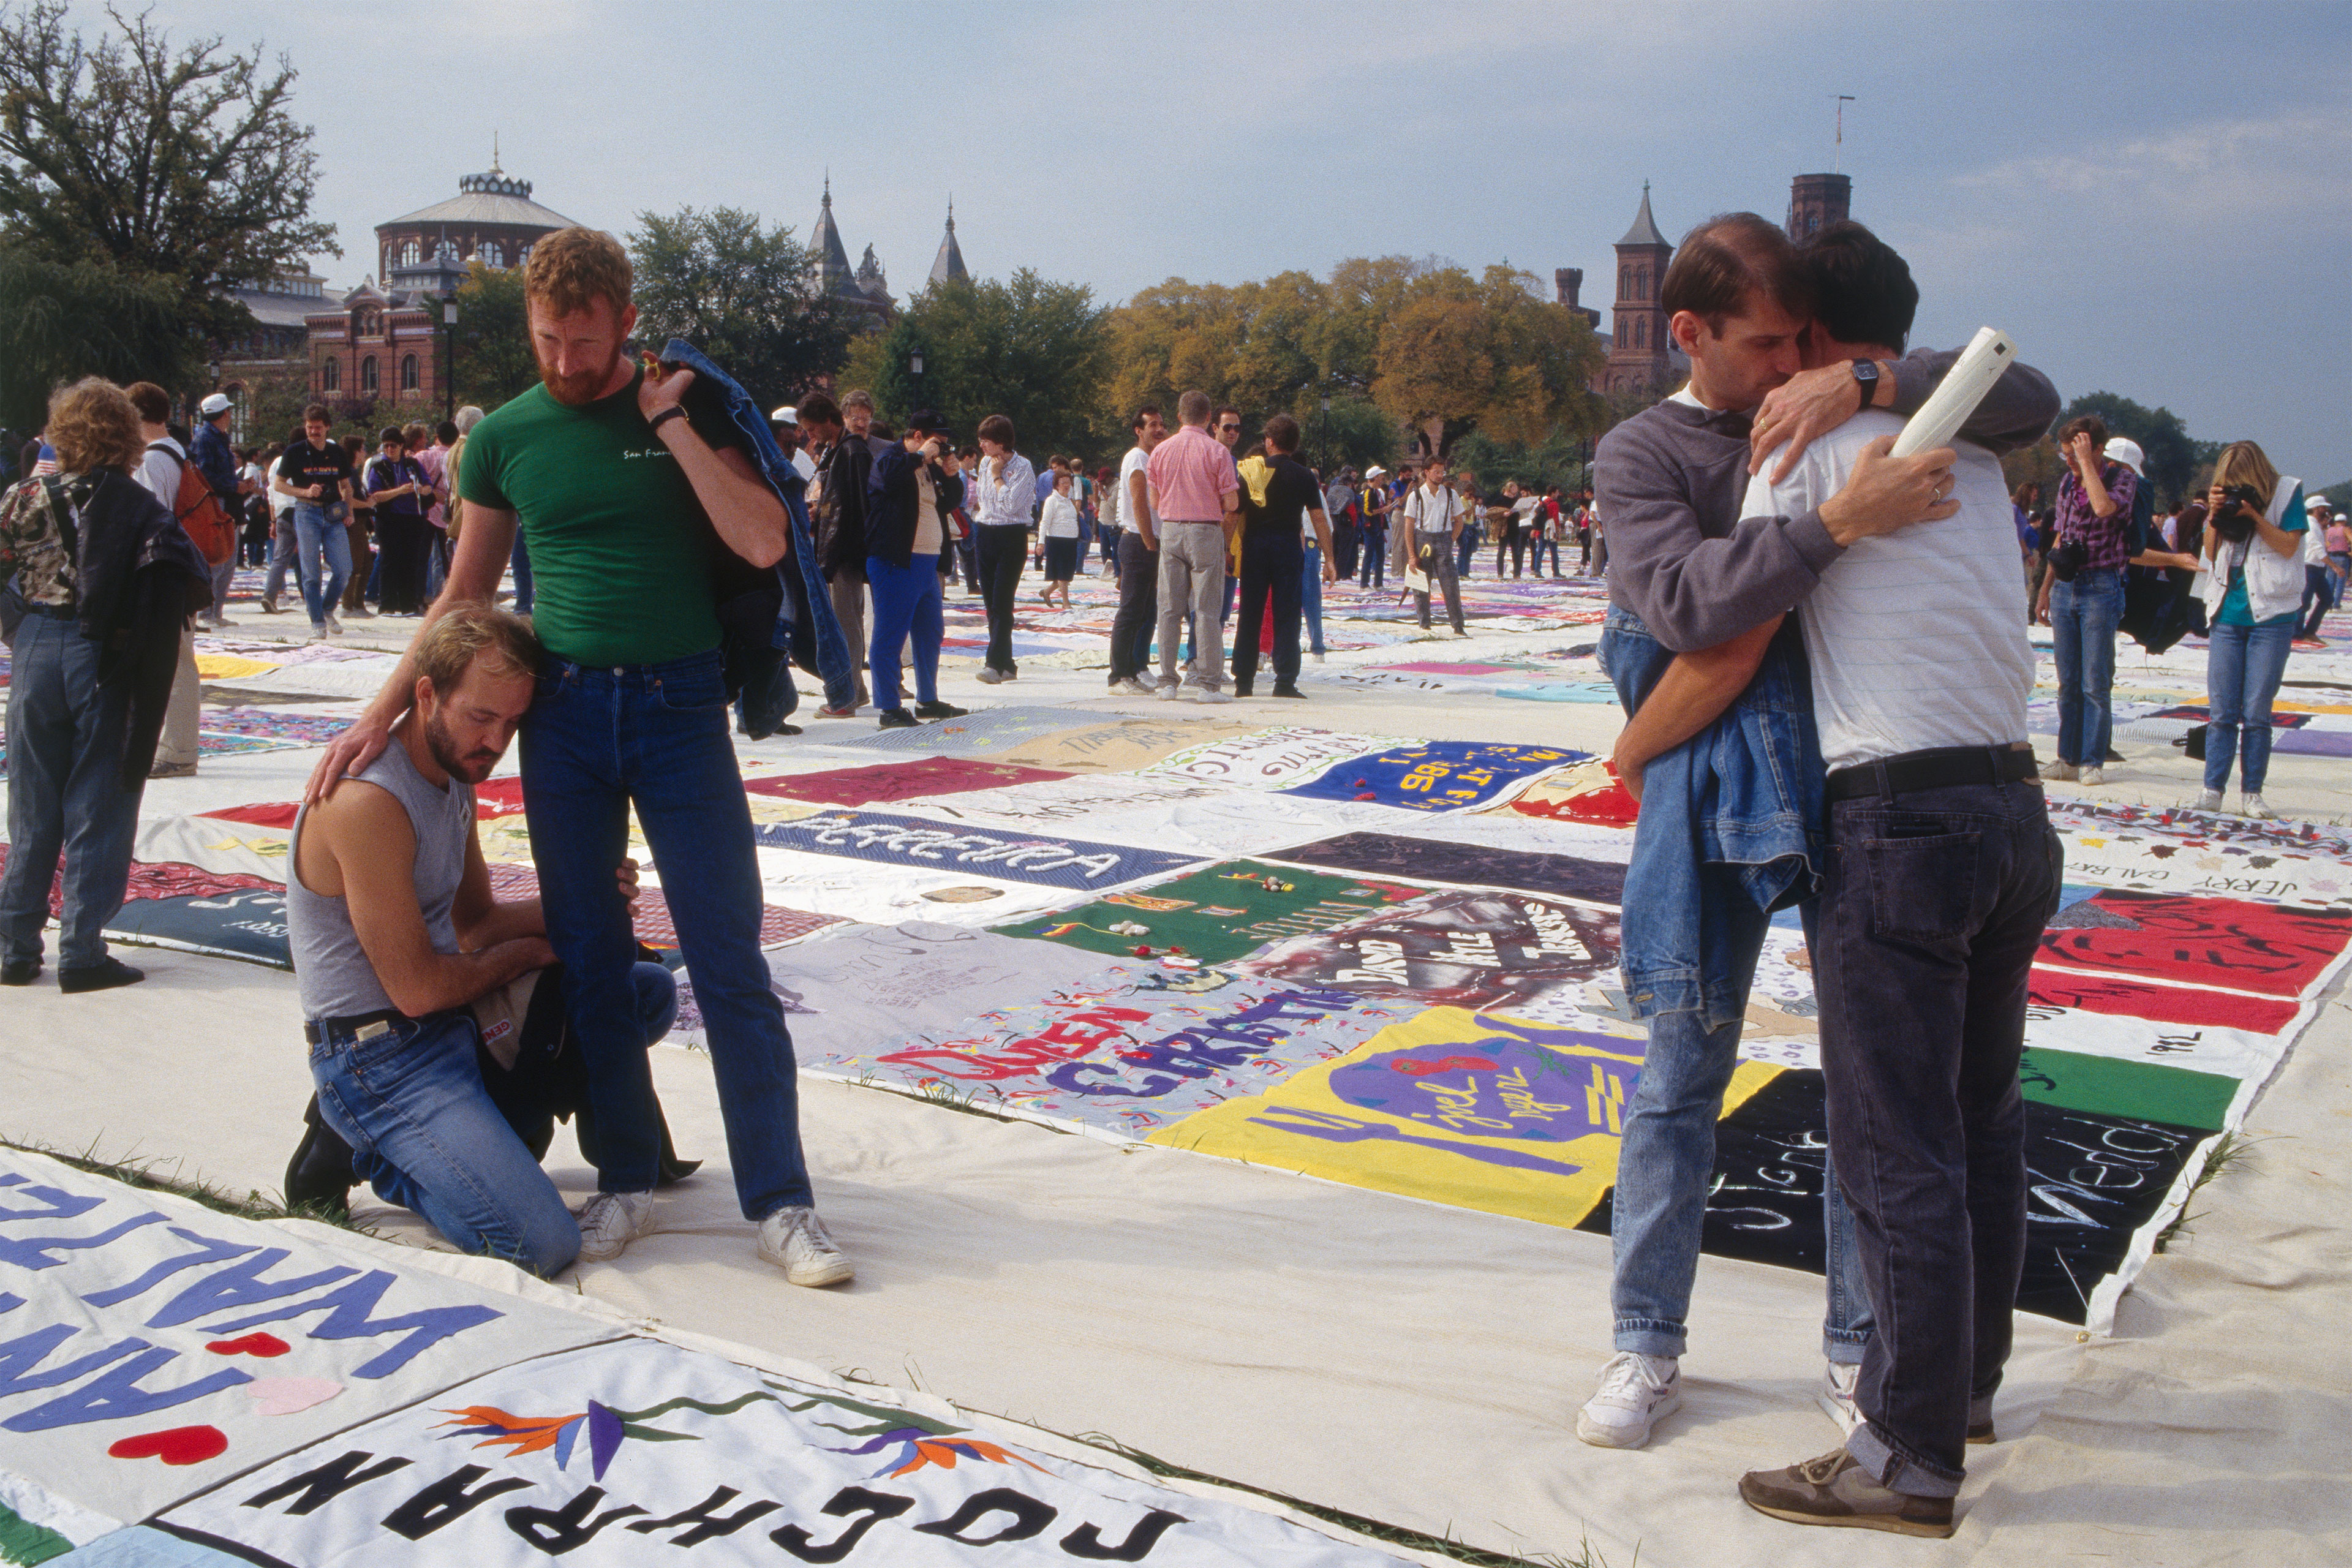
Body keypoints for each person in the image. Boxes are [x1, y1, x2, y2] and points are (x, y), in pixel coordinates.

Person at [1580, 210, 2057, 1467]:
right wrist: (1845, 515)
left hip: (1852, 784)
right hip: (1713, 784)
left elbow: (2029, 390)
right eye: (1772, 343)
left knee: (1876, 1100)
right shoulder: (1645, 448)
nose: (1794, 362)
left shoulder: (1834, 414)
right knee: (1685, 1070)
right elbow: (1692, 614)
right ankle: (1649, 1336)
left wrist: (1863, 380)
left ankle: (1866, 1352)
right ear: (1688, 334)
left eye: (1812, 342)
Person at [305, 227, 853, 1284]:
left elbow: (763, 540)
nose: (564, 361)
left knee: (728, 956)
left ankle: (782, 1201)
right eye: (548, 339)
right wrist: (380, 711)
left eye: (586, 341)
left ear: (627, 325)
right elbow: (464, 591)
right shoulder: (504, 437)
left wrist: (669, 427)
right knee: (592, 952)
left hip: (679, 706)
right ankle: (628, 1181)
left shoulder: (685, 405)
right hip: (563, 716)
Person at [283, 608, 683, 1276]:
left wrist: (580, 898)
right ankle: (364, 1145)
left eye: (510, 724)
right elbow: (418, 991)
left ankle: (476, 1132)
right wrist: (541, 950)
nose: (494, 741)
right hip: (381, 1053)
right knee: (541, 1242)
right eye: (480, 718)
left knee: (643, 992)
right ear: (425, 695)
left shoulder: (448, 771)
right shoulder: (369, 802)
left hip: (452, 1022)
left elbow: (476, 924)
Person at [1, 378, 209, 991]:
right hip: (107, 656)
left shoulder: (22, 496)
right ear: (126, 437)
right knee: (102, 799)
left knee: (33, 804)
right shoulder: (136, 502)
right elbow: (173, 580)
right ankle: (83, 949)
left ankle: (14, 945)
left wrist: (20, 626)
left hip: (37, 646)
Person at [2194, 442, 2309, 818]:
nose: (2233, 491)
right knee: (2222, 711)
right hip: (2227, 614)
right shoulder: (2222, 504)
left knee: (2257, 711)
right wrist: (2214, 514)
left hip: (2271, 617)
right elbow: (2210, 554)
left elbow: (2289, 547)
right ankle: (2212, 789)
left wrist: (2254, 516)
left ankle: (2252, 793)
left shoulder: (2287, 491)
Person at [2035, 417, 2135, 783]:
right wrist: (2045, 589)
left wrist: (2088, 467)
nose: (2071, 463)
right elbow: (2061, 538)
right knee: (2068, 680)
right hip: (2066, 586)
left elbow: (2104, 509)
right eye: (2066, 456)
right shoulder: (2066, 482)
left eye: (2076, 454)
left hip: (2100, 586)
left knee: (2095, 681)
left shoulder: (2121, 479)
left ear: (2097, 450)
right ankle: (2068, 757)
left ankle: (2092, 759)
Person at [865, 409, 971, 730]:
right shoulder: (891, 457)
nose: (942, 449)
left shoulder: (929, 466)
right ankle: (888, 706)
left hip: (927, 562)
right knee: (891, 632)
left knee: (930, 631)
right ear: (917, 437)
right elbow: (889, 480)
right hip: (897, 560)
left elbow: (950, 502)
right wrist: (920, 457)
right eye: (937, 442)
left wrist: (951, 475)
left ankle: (927, 699)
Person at [126, 383, 203, 782]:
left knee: (172, 660)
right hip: (180, 566)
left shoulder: (152, 459)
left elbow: (150, 518)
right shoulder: (175, 450)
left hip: (163, 569)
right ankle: (179, 747)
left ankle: (178, 749)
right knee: (178, 657)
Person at [1231, 414, 1336, 699]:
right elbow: (1318, 519)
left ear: (1269, 441)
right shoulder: (1304, 475)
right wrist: (1330, 559)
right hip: (1288, 546)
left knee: (1250, 613)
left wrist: (1227, 550)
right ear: (1294, 444)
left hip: (1255, 546)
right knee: (1287, 614)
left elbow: (1233, 515)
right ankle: (1286, 681)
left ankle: (1244, 681)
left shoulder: (1252, 471)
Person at [1147, 392, 1240, 703]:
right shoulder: (1217, 452)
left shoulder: (1160, 451)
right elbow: (1232, 502)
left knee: (1169, 608)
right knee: (1207, 610)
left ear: (1179, 415)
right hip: (1205, 530)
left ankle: (1167, 681)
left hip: (1172, 529)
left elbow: (1155, 501)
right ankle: (1208, 683)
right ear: (1208, 417)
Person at [798, 391, 867, 714]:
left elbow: (853, 510)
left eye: (812, 429)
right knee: (847, 620)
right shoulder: (841, 450)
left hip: (844, 551)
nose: (810, 436)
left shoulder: (851, 451)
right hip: (840, 548)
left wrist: (834, 554)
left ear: (829, 421)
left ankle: (847, 696)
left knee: (845, 624)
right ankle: (857, 690)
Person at [271, 406, 355, 639]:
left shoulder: (336, 451)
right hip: (307, 512)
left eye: (318, 427)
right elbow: (278, 485)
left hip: (333, 513)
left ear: (327, 427)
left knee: (344, 570)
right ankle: (317, 620)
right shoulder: (294, 452)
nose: (314, 432)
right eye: (310, 427)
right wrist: (305, 492)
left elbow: (347, 486)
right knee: (311, 572)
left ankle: (327, 608)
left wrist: (350, 511)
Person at [968, 414, 1036, 684]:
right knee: (990, 603)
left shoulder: (1023, 467)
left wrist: (998, 477)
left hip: (1011, 535)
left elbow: (1010, 505)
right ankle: (1007, 664)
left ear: (1001, 442)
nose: (981, 446)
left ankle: (994, 663)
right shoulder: (984, 462)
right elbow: (984, 502)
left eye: (986, 441)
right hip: (985, 533)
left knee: (1002, 601)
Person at [1107, 406, 1166, 695]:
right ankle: (1118, 675)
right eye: (1152, 425)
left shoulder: (1152, 458)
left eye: (1161, 424)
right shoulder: (1137, 458)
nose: (1159, 429)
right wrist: (1150, 543)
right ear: (1138, 431)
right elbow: (1139, 503)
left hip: (1150, 541)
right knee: (1131, 611)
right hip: (1140, 542)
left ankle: (1135, 667)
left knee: (1148, 611)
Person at [365, 428, 432, 616]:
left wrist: (420, 488)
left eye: (393, 446)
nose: (389, 450)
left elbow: (428, 487)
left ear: (401, 445)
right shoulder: (378, 467)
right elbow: (375, 495)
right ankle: (387, 603)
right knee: (388, 560)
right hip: (388, 518)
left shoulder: (412, 464)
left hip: (413, 517)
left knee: (410, 560)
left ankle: (407, 604)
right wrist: (399, 491)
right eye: (385, 446)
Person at [190, 392, 241, 627]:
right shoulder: (205, 439)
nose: (231, 415)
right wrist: (235, 485)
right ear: (223, 414)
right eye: (229, 411)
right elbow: (205, 476)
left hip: (227, 500)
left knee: (229, 558)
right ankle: (206, 613)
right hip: (215, 502)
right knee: (217, 558)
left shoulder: (220, 437)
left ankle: (216, 612)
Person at [1404, 459, 1468, 636]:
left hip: (1443, 539)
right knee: (1421, 585)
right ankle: (1425, 624)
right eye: (1436, 472)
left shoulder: (1450, 494)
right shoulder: (1415, 496)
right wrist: (1411, 555)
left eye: (1443, 472)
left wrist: (1451, 540)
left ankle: (1458, 625)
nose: (1440, 476)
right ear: (1426, 472)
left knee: (1450, 584)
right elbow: (1409, 526)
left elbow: (1459, 521)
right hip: (1422, 539)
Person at [2296, 490, 2337, 644]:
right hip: (2310, 567)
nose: (2326, 510)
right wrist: (2335, 566)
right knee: (2304, 601)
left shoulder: (2315, 525)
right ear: (2316, 508)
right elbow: (2317, 549)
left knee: (2327, 599)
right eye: (2323, 508)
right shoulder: (2310, 525)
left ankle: (2309, 631)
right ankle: (2297, 632)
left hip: (2318, 568)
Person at [1038, 467, 1080, 609]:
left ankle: (1047, 592)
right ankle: (1066, 603)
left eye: (1068, 482)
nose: (1067, 485)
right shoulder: (1051, 501)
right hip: (1057, 541)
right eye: (1063, 483)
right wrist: (1041, 542)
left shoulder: (1069, 501)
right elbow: (1044, 522)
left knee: (1066, 574)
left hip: (1071, 541)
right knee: (1062, 574)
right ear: (1057, 485)